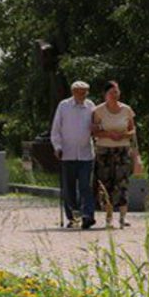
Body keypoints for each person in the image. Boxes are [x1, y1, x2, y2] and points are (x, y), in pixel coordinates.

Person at [50, 80, 96, 229]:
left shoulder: (91, 106)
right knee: (69, 188)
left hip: (86, 154)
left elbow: (96, 127)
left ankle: (88, 215)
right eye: (79, 92)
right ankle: (72, 217)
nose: (82, 95)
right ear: (73, 92)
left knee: (85, 186)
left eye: (85, 92)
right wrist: (57, 147)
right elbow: (56, 129)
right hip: (67, 154)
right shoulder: (64, 106)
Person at [92, 80, 137, 229]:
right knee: (105, 183)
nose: (114, 95)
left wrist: (123, 135)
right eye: (111, 92)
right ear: (105, 94)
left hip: (122, 149)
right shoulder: (98, 111)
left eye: (116, 92)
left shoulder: (126, 110)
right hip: (104, 149)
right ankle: (108, 217)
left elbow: (132, 130)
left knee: (122, 182)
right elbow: (94, 131)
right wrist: (108, 134)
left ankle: (123, 218)